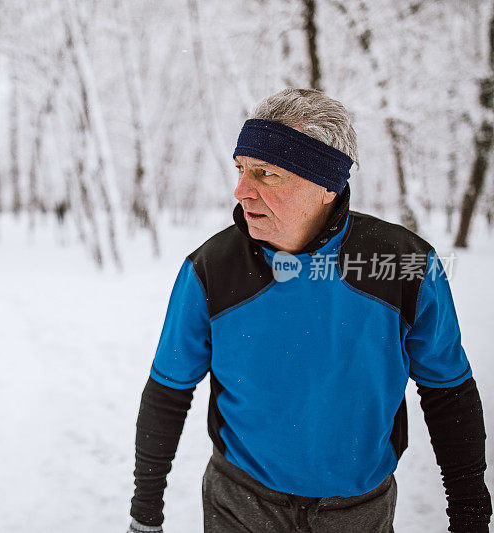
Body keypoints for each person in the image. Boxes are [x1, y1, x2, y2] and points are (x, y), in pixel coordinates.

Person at [126, 88, 492, 532]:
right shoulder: (211, 270)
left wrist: (470, 512)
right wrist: (145, 513)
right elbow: (168, 390)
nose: (241, 190)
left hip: (359, 511)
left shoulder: (401, 264)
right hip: (239, 503)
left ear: (328, 186)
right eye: (241, 170)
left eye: (266, 174)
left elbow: (448, 391)